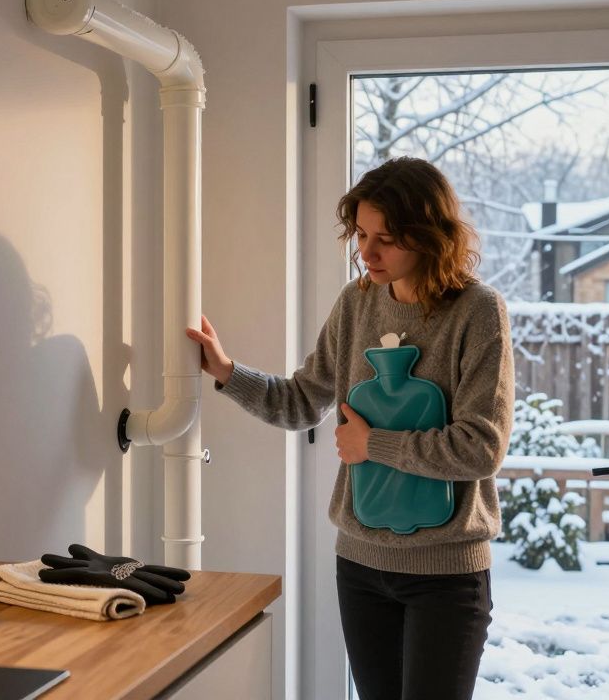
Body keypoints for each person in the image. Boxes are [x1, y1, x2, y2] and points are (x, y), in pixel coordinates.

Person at [186, 156, 514, 699]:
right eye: (361, 234)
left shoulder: (476, 312)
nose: (368, 252)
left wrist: (372, 444)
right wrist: (225, 371)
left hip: (445, 575)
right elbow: (298, 402)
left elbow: (481, 448)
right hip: (360, 566)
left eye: (386, 238)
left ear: (430, 237)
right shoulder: (356, 304)